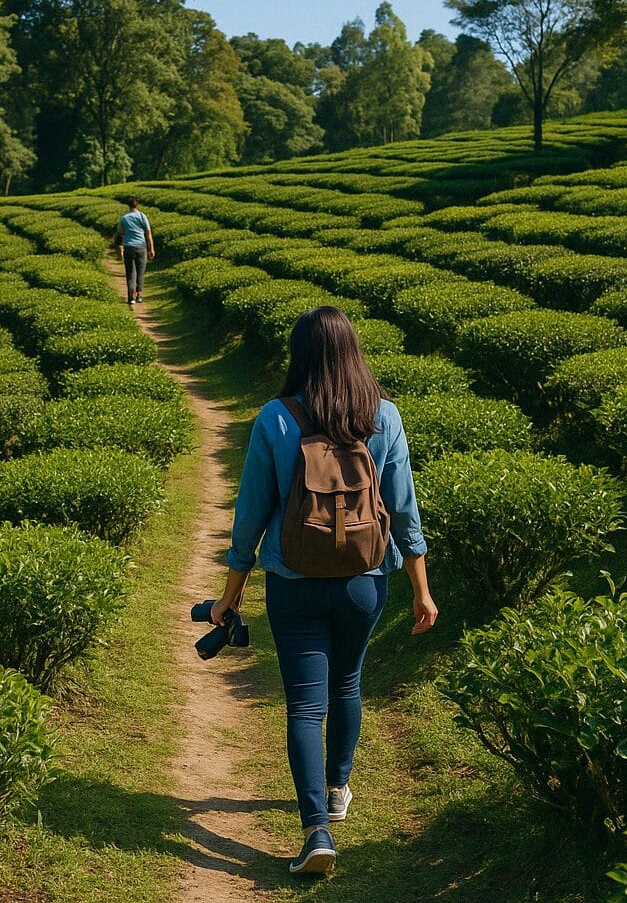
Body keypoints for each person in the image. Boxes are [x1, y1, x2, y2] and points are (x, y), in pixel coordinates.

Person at [208, 306, 437, 877]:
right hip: (364, 581)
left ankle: (317, 831)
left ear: (300, 355)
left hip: (293, 584)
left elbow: (250, 519)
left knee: (304, 705)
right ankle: (337, 789)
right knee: (349, 684)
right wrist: (421, 590)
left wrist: (229, 595)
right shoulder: (383, 416)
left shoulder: (276, 418)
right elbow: (404, 512)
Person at [116, 196, 155, 306]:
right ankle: (139, 295)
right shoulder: (142, 216)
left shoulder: (124, 218)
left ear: (128, 205)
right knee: (140, 272)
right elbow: (148, 233)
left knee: (130, 273)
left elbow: (120, 232)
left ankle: (130, 297)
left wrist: (122, 243)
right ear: (137, 205)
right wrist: (151, 248)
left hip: (128, 247)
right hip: (141, 247)